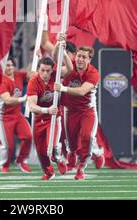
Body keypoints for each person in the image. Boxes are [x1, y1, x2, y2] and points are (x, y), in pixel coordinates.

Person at [53, 41, 104, 180]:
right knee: (72, 143)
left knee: (87, 137)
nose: (80, 59)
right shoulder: (70, 67)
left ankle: (81, 167)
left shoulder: (93, 73)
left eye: (84, 57)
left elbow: (82, 91)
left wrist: (62, 88)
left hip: (87, 111)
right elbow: (55, 60)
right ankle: (72, 155)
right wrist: (59, 43)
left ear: (89, 60)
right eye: (79, 56)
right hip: (70, 111)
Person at [27, 56, 72, 180]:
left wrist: (61, 48)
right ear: (38, 69)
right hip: (39, 118)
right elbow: (31, 106)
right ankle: (48, 172)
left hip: (54, 118)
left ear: (52, 70)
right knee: (41, 151)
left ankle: (59, 158)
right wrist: (46, 110)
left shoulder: (56, 77)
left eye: (48, 71)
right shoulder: (34, 81)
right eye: (42, 70)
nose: (45, 74)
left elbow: (70, 68)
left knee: (50, 147)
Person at [0, 57, 33, 173]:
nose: (10, 67)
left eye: (12, 65)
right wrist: (23, 99)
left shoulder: (18, 75)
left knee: (28, 136)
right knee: (9, 146)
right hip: (4, 117)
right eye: (7, 65)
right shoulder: (1, 80)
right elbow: (7, 100)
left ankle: (21, 161)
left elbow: (31, 74)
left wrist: (37, 57)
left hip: (17, 114)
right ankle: (4, 165)